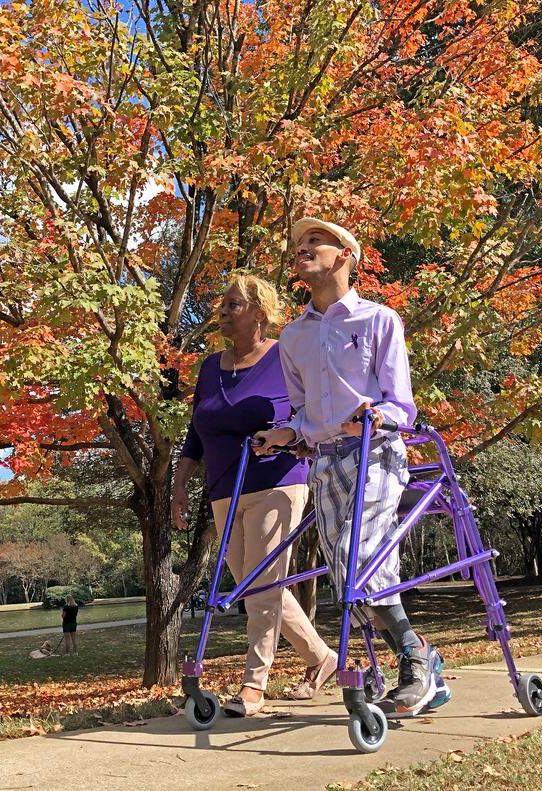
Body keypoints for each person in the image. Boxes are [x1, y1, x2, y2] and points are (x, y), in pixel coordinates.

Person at [254, 217, 440, 715]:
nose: (303, 250)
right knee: (348, 579)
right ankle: (421, 658)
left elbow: (402, 406)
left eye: (315, 241)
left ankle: (414, 665)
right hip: (324, 463)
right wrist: (284, 434)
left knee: (365, 559)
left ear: (345, 256)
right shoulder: (292, 337)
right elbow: (301, 413)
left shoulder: (380, 320)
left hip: (375, 454)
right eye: (298, 245)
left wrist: (374, 418)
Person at [172, 273, 338, 717]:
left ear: (260, 313)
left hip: (277, 480)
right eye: (222, 303)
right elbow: (195, 434)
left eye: (233, 304)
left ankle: (253, 686)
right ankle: (322, 659)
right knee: (255, 587)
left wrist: (294, 437)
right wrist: (179, 486)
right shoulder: (210, 367)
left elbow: (313, 412)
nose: (222, 310)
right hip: (225, 488)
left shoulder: (286, 356)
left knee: (262, 584)